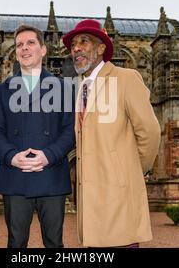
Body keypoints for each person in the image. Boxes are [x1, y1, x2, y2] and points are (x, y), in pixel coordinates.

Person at [62, 19, 161, 248]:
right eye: (73, 44)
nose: (76, 48)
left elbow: (150, 131)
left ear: (101, 48)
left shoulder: (126, 78)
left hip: (118, 201)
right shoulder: (82, 88)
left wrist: (130, 171)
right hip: (91, 205)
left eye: (83, 41)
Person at [0, 24, 75, 248]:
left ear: (43, 50)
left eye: (30, 43)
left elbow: (71, 129)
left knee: (54, 243)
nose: (24, 49)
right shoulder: (3, 90)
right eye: (19, 45)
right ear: (15, 52)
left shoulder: (63, 88)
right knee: (16, 243)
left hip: (51, 174)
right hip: (16, 176)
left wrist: (49, 155)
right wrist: (11, 157)